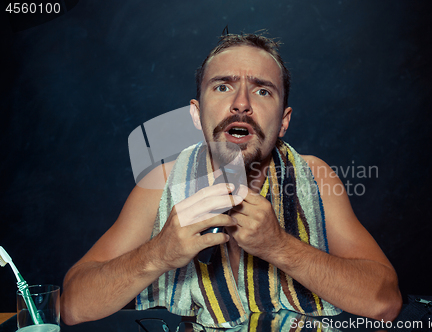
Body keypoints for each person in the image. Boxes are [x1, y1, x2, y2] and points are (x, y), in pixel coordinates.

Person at [61, 32, 402, 327]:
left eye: (263, 91)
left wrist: (279, 246)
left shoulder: (314, 175)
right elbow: (73, 306)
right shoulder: (161, 183)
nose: (241, 104)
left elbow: (384, 301)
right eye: (222, 86)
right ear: (196, 113)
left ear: (283, 122)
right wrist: (159, 253)